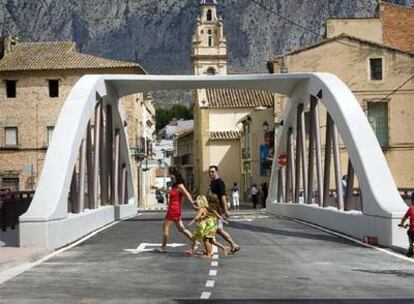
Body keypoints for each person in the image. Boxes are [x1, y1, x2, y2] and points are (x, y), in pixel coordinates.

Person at [152, 168, 196, 253]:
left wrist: (193, 203)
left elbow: (187, 195)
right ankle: (195, 242)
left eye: (173, 178)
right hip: (175, 210)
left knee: (165, 228)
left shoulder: (180, 186)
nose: (171, 180)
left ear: (177, 177)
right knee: (181, 229)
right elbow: (168, 192)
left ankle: (163, 247)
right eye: (171, 178)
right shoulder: (175, 186)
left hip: (173, 210)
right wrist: (157, 188)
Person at [208, 165, 240, 254]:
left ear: (217, 172)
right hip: (212, 210)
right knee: (217, 230)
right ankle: (234, 245)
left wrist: (225, 210)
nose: (211, 173)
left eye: (212, 172)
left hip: (218, 210)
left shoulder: (219, 182)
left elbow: (223, 196)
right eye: (209, 172)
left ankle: (233, 244)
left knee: (213, 229)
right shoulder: (212, 182)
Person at [399, 192, 414, 257]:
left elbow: (404, 218)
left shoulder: (411, 209)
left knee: (409, 232)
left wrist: (401, 224)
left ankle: (410, 246)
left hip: (412, 230)